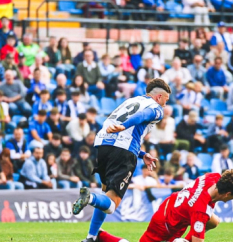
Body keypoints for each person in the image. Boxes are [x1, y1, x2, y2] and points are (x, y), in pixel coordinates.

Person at [72, 78, 170, 242]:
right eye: (165, 101)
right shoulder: (156, 108)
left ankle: (91, 237)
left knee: (106, 195)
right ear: (159, 97)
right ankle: (89, 198)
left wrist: (142, 154)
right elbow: (142, 115)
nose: (165, 105)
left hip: (103, 145)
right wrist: (124, 126)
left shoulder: (130, 101)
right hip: (123, 151)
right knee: (111, 205)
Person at [97, 170, 233, 242]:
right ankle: (101, 235)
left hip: (173, 206)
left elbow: (202, 199)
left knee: (214, 221)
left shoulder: (214, 177)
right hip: (164, 225)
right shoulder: (200, 212)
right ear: (228, 193)